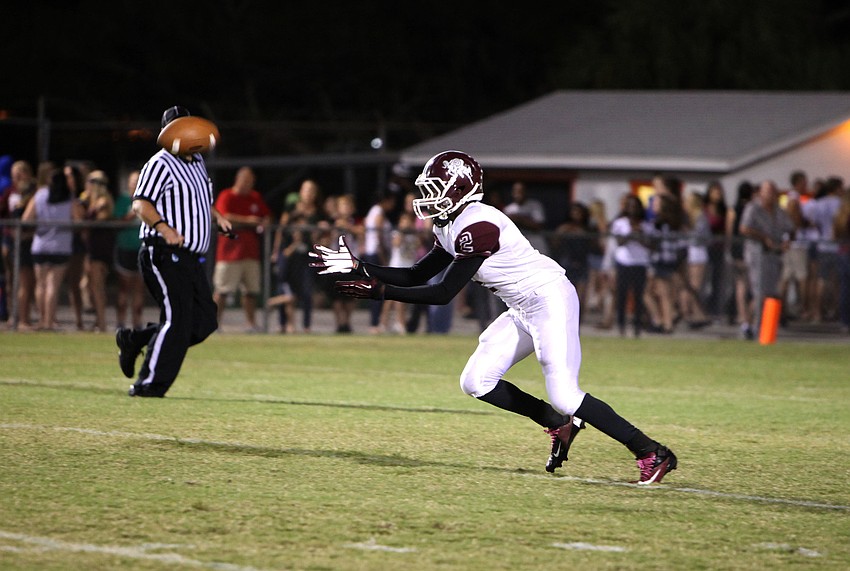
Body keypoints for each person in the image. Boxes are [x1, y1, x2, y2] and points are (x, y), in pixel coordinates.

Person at [310, 150, 677, 484]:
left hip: (549, 299)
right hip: (521, 306)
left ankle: (651, 451)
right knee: (476, 381)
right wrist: (360, 266)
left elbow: (442, 293)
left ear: (461, 189)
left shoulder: (478, 225)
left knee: (565, 393)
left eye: (437, 187)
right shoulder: (447, 223)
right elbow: (417, 275)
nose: (428, 196)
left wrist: (378, 291)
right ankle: (556, 423)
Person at [115, 106, 232, 397]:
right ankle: (148, 386)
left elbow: (200, 199)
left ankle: (137, 339)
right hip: (163, 252)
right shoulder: (160, 163)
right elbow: (141, 204)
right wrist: (166, 230)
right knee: (177, 319)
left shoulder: (198, 162)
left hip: (191, 257)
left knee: (204, 321)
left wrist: (218, 218)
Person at [22, 164, 85, 331]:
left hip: (40, 245)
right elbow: (78, 221)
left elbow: (26, 218)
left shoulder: (40, 195)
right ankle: (49, 321)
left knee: (40, 284)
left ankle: (42, 320)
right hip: (61, 246)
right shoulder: (69, 198)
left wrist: (41, 225)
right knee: (52, 285)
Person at [212, 166, 271, 332]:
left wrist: (264, 220)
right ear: (238, 179)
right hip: (229, 253)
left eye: (251, 181)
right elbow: (224, 216)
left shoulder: (255, 197)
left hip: (250, 252)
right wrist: (250, 221)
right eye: (246, 180)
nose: (248, 184)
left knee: (250, 291)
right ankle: (214, 323)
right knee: (222, 290)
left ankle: (251, 324)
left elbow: (265, 216)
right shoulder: (227, 195)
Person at [739, 180, 795, 337]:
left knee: (769, 292)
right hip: (757, 254)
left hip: (773, 256)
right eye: (767, 191)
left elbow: (790, 228)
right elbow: (744, 228)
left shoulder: (778, 211)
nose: (770, 195)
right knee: (759, 291)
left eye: (773, 191)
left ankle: (758, 325)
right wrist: (763, 238)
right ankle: (751, 325)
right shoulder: (753, 208)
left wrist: (786, 240)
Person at [611, 194, 653, 337]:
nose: (633, 209)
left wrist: (640, 234)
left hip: (640, 262)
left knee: (639, 295)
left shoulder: (646, 224)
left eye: (635, 206)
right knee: (622, 294)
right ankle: (621, 326)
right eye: (630, 206)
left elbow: (650, 244)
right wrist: (631, 233)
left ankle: (637, 327)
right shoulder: (620, 223)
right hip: (624, 262)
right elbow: (619, 242)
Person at [79, 170, 115, 332]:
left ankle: (101, 323)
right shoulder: (89, 200)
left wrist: (90, 211)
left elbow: (95, 221)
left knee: (97, 286)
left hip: (100, 248)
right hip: (91, 247)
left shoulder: (103, 200)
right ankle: (98, 321)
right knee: (90, 285)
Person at [113, 170, 146, 329]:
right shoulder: (123, 200)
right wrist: (133, 212)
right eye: (133, 181)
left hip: (142, 249)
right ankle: (120, 323)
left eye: (138, 180)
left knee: (139, 290)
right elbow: (117, 221)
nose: (135, 183)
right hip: (125, 249)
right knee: (124, 289)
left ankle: (137, 323)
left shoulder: (149, 200)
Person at [503, 181, 549, 255]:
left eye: (521, 191)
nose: (518, 194)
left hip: (534, 239)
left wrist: (520, 219)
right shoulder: (508, 209)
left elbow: (538, 225)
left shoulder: (535, 205)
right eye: (516, 191)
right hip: (517, 242)